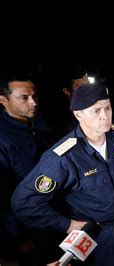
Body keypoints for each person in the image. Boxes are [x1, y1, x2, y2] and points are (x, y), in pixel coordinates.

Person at [11, 83, 114, 265]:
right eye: (96, 111)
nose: (105, 115)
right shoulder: (63, 157)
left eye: (108, 108)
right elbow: (24, 202)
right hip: (96, 238)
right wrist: (67, 225)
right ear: (78, 114)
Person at [0, 74, 55, 264]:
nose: (33, 102)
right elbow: (2, 196)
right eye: (24, 98)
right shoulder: (3, 137)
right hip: (27, 228)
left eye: (35, 96)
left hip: (55, 217)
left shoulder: (40, 122)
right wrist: (18, 238)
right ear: (3, 100)